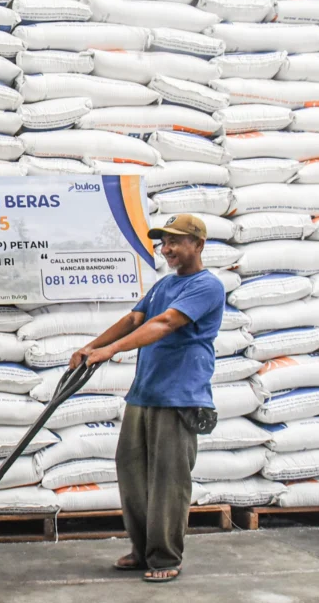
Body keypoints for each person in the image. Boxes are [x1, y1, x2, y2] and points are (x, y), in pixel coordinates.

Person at [69, 214, 224, 584]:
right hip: (144, 392)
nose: (167, 249)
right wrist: (93, 346)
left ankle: (165, 555)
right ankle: (142, 550)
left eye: (175, 241)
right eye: (163, 243)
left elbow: (166, 323)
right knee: (132, 472)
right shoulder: (164, 285)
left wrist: (112, 351)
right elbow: (134, 319)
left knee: (168, 479)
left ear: (198, 245)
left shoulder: (207, 286)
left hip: (179, 395)